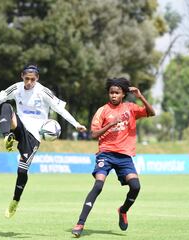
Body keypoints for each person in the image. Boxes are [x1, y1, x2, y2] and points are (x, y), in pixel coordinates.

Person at [0, 64, 87, 218]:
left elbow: (60, 109)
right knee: (6, 106)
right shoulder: (16, 88)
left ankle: (15, 201)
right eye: (26, 78)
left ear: (37, 78)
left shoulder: (44, 92)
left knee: (22, 171)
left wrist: (76, 124)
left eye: (32, 79)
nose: (29, 82)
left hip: (34, 136)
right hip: (19, 125)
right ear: (22, 76)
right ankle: (7, 137)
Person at [71, 77, 155, 237]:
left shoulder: (130, 108)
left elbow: (151, 113)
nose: (113, 95)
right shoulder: (102, 111)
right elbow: (93, 134)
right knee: (98, 186)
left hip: (124, 156)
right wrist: (111, 123)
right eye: (111, 92)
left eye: (117, 93)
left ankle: (123, 210)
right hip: (106, 154)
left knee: (136, 187)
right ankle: (80, 223)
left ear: (123, 94)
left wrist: (140, 96)